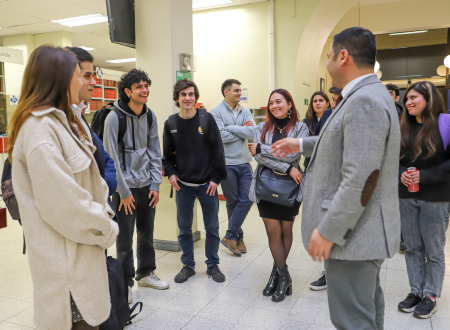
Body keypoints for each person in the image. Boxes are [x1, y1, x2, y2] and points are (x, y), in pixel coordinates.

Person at [272, 27, 401, 329]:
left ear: (343, 56)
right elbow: (343, 142)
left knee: (351, 320)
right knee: (367, 310)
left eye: (328, 56)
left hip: (354, 237)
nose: (327, 64)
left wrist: (328, 230)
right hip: (362, 234)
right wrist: (300, 143)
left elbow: (361, 177)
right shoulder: (365, 94)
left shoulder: (363, 100)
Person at [9, 45, 119, 330]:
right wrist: (107, 228)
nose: (84, 81)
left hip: (81, 258)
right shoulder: (39, 131)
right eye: (78, 75)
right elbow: (66, 206)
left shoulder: (61, 122)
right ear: (59, 79)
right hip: (69, 273)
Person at [103, 69, 168, 305]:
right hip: (125, 190)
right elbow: (112, 160)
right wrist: (124, 192)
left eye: (146, 85)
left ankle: (146, 274)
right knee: (124, 238)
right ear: (127, 91)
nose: (144, 90)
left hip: (145, 186)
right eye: (139, 86)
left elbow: (154, 152)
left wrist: (155, 184)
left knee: (147, 232)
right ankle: (126, 283)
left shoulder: (150, 117)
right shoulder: (114, 118)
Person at [163, 79, 227, 284]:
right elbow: (167, 156)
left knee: (212, 228)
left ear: (195, 97)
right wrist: (171, 173)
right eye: (183, 95)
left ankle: (212, 265)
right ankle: (188, 265)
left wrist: (216, 179)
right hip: (183, 186)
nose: (187, 98)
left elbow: (218, 151)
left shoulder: (206, 119)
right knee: (184, 228)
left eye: (191, 94)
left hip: (207, 185)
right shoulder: (170, 123)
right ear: (177, 98)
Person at [249, 89, 309, 302]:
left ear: (289, 104)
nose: (274, 105)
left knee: (286, 229)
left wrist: (261, 148)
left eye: (279, 101)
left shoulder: (301, 127)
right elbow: (258, 157)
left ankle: (276, 274)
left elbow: (293, 153)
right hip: (266, 185)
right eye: (271, 102)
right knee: (273, 232)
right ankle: (284, 277)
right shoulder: (262, 127)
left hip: (291, 188)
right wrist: (287, 168)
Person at [397, 81, 450, 319]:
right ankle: (416, 291)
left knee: (434, 250)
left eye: (413, 98)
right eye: (406, 98)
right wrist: (402, 173)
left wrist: (424, 175)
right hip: (407, 195)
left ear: (429, 99)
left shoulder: (445, 124)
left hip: (435, 196)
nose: (408, 102)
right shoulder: (403, 127)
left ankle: (430, 295)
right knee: (412, 247)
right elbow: (392, 157)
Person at [210, 79, 255, 256]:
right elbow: (220, 136)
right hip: (226, 163)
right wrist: (240, 130)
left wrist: (231, 128)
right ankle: (238, 238)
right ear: (226, 92)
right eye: (236, 91)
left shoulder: (245, 111)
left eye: (240, 90)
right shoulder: (216, 111)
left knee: (248, 198)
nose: (239, 93)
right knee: (233, 202)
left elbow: (253, 132)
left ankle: (230, 235)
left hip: (245, 162)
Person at [66, 46, 117, 198]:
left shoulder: (78, 115)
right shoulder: (56, 123)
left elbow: (105, 159)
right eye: (87, 76)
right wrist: (98, 188)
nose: (94, 82)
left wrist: (104, 184)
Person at [309, 85, 343, 291]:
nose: (335, 102)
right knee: (328, 225)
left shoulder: (359, 110)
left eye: (340, 98)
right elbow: (321, 146)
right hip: (329, 179)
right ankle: (328, 273)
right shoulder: (328, 115)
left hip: (351, 180)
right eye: (334, 98)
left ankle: (344, 274)